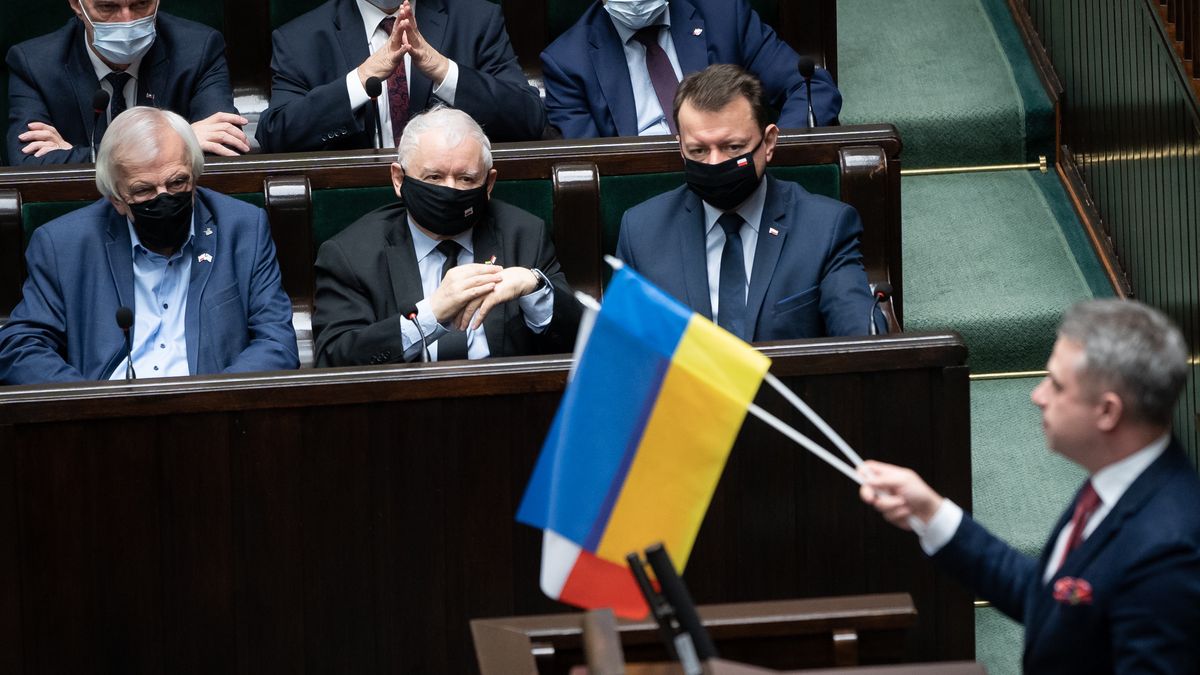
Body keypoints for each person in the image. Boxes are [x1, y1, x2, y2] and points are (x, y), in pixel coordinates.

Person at [860, 299, 1200, 673]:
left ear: (1108, 411)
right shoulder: (1115, 484)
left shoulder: (1170, 547)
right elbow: (1049, 601)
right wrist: (930, 512)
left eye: (1056, 384)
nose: (1037, 396)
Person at [0, 108, 299, 384]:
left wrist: (209, 401)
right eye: (143, 190)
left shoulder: (243, 228)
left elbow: (277, 344)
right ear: (116, 198)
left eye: (177, 183)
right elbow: (22, 347)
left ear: (194, 176)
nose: (164, 197)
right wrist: (94, 405)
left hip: (213, 419)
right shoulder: (63, 244)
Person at [615, 65, 879, 341]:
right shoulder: (642, 232)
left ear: (768, 142)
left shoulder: (825, 228)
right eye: (699, 150)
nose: (715, 163)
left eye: (733, 147)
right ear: (681, 147)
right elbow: (623, 350)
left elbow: (859, 341)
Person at [313, 106, 581, 366]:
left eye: (466, 179)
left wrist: (534, 289)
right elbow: (334, 358)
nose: (450, 192)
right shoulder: (351, 254)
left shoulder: (523, 235)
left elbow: (579, 343)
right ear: (398, 179)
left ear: (489, 184)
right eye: (434, 177)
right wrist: (430, 315)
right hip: (401, 405)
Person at [256, 0, 545, 153]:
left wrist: (445, 72)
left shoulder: (477, 20)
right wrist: (359, 81)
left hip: (454, 196)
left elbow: (529, 119)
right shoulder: (300, 38)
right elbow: (275, 135)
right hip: (359, 205)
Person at [540, 0, 841, 139]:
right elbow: (593, 163)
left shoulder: (724, 15)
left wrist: (771, 152)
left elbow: (811, 88)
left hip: (738, 174)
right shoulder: (568, 62)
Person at [5, 0, 249, 166]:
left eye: (140, 4)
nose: (127, 20)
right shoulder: (35, 64)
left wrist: (78, 155)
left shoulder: (199, 50)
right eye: (107, 6)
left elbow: (225, 146)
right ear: (76, 5)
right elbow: (28, 163)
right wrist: (180, 139)